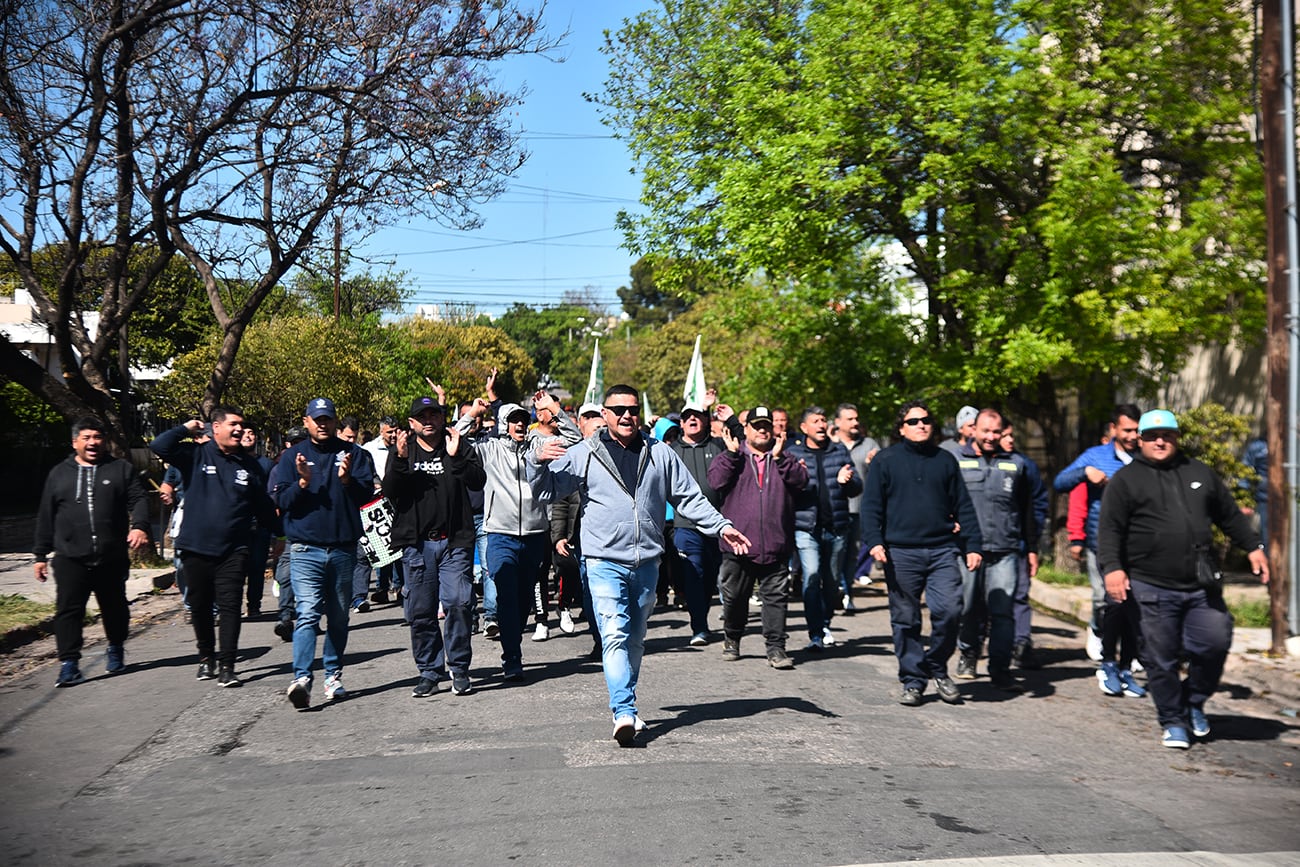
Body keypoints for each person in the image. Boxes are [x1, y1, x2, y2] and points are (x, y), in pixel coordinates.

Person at [534, 384, 751, 746]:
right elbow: (545, 490)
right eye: (617, 409)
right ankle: (622, 710)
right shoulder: (585, 452)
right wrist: (536, 461)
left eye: (631, 409)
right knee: (614, 633)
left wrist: (722, 526)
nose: (625, 416)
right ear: (604, 415)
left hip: (647, 561)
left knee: (634, 639)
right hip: (602, 560)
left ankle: (627, 705)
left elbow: (689, 497)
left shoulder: (661, 453)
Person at [1098, 409, 1268, 749]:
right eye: (1151, 436)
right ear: (1140, 440)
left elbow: (1229, 516)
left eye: (1167, 435)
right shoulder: (1126, 480)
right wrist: (1112, 569)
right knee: (1161, 657)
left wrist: (1252, 547)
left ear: (1176, 437)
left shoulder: (1199, 472)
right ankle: (1173, 720)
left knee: (1215, 642)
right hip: (1149, 583)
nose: (1160, 441)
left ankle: (1193, 701)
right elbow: (1110, 530)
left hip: (1200, 583)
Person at [861, 400, 982, 706]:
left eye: (926, 420)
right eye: (913, 421)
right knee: (906, 619)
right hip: (901, 552)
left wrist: (973, 545)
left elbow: (964, 506)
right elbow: (872, 505)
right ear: (901, 428)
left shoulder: (945, 460)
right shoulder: (885, 460)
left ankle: (937, 666)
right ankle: (913, 680)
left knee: (951, 611)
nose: (921, 425)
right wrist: (874, 541)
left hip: (942, 549)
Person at [150, 410, 277, 687]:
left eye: (242, 426)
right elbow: (159, 446)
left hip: (234, 549)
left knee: (230, 606)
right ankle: (206, 657)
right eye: (233, 425)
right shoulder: (196, 455)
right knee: (201, 606)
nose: (239, 430)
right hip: (195, 547)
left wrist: (282, 531)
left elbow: (264, 508)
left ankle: (228, 666)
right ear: (216, 427)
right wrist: (185, 428)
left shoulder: (250, 466)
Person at [457, 391, 577, 678]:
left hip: (535, 534)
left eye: (524, 419)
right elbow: (455, 442)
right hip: (500, 534)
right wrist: (471, 415)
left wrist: (554, 409)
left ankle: (513, 645)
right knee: (507, 594)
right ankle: (512, 658)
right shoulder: (489, 447)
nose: (520, 425)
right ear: (503, 424)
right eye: (513, 421)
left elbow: (574, 440)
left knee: (523, 600)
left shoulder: (538, 442)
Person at [268, 397, 377, 710]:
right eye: (317, 419)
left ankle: (333, 674)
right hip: (304, 549)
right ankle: (302, 678)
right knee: (308, 613)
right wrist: (302, 481)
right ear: (306, 422)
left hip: (343, 548)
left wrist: (346, 480)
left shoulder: (355, 454)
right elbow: (283, 502)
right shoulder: (291, 457)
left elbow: (365, 495)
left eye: (328, 418)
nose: (322, 424)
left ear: (335, 421)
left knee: (339, 617)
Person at [34, 417, 150, 686]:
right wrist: (40, 555)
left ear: (104, 441)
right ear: (75, 442)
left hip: (110, 555)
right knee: (68, 610)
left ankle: (116, 648)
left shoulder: (120, 469)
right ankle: (69, 663)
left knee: (115, 607)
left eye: (97, 437)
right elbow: (46, 515)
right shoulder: (58, 474)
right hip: (70, 557)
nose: (92, 443)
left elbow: (139, 498)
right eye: (86, 438)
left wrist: (140, 526)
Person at [385, 396, 486, 697]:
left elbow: (478, 481)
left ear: (443, 418)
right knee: (421, 611)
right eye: (422, 416)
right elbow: (391, 491)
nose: (429, 420)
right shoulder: (404, 450)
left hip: (454, 541)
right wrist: (401, 461)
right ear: (412, 423)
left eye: (434, 414)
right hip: (417, 545)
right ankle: (429, 671)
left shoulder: (458, 444)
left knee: (458, 602)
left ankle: (459, 667)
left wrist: (456, 458)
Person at [1053, 404, 1145, 697]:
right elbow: (1059, 482)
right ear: (1113, 429)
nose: (1132, 435)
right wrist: (1085, 472)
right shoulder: (1096, 457)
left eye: (1136, 430)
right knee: (1105, 599)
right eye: (1127, 429)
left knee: (1133, 604)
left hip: (1139, 546)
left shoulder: (1145, 459)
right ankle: (1105, 650)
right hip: (1101, 542)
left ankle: (1126, 664)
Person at [708, 406, 808, 668]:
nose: (763, 430)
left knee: (776, 599)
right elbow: (715, 482)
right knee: (735, 597)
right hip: (738, 544)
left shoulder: (785, 457)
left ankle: (776, 648)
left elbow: (801, 482)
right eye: (757, 426)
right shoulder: (732, 455)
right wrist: (730, 455)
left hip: (776, 543)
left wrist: (780, 459)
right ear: (747, 429)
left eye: (767, 426)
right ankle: (732, 637)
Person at [952, 409, 1041, 692]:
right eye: (985, 431)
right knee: (968, 608)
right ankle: (968, 652)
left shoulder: (1017, 464)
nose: (991, 437)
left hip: (1006, 550)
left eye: (996, 432)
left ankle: (1000, 669)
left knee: (1003, 612)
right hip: (966, 550)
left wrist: (1032, 549)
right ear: (973, 430)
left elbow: (1027, 510)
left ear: (1003, 432)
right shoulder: (955, 461)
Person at [786, 406, 862, 650]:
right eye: (815, 421)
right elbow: (784, 488)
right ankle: (816, 634)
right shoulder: (794, 452)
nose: (821, 425)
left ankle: (826, 622)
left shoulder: (839, 452)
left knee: (831, 583)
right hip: (806, 528)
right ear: (804, 427)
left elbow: (857, 487)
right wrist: (798, 478)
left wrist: (847, 481)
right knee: (812, 575)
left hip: (836, 527)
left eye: (823, 420)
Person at [668, 402, 729, 646]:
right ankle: (699, 627)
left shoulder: (718, 447)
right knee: (694, 575)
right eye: (687, 417)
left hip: (717, 525)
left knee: (710, 577)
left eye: (698, 416)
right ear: (681, 423)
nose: (693, 420)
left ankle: (702, 617)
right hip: (685, 526)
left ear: (706, 420)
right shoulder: (670, 451)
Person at [831, 402, 879, 608]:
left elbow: (881, 473)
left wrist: (875, 463)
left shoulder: (869, 444)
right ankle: (835, 590)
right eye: (850, 419)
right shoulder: (830, 444)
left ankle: (847, 592)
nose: (855, 422)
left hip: (860, 509)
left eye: (856, 418)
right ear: (838, 422)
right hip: (836, 509)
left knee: (853, 554)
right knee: (836, 553)